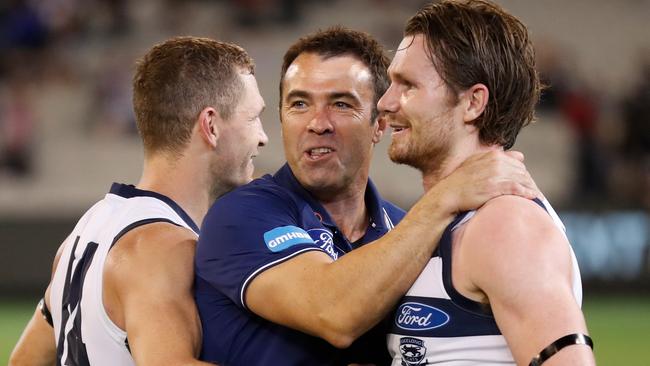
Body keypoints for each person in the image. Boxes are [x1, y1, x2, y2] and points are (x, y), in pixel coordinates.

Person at [194, 27, 539, 365]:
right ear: (282, 119)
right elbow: (333, 312)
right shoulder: (240, 216)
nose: (318, 123)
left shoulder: (406, 230)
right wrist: (446, 196)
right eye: (299, 103)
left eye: (341, 104)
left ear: (379, 125)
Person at [9, 36, 268, 365]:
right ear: (211, 126)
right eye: (253, 118)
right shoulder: (162, 246)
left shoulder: (85, 230)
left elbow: (23, 360)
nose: (262, 136)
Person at [377, 1, 596, 365]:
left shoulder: (506, 225)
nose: (385, 102)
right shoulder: (451, 219)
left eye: (408, 85)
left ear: (474, 103)